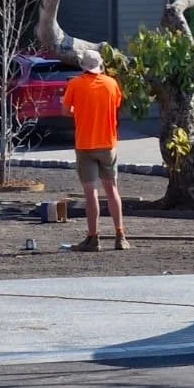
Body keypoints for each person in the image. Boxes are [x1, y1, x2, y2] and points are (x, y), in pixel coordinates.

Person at [61, 47, 130, 251]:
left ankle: (93, 238)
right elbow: (115, 105)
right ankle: (120, 236)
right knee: (112, 189)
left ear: (82, 65)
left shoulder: (75, 84)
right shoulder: (111, 83)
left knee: (90, 192)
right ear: (100, 65)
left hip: (85, 144)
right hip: (108, 143)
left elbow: (66, 111)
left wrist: (80, 111)